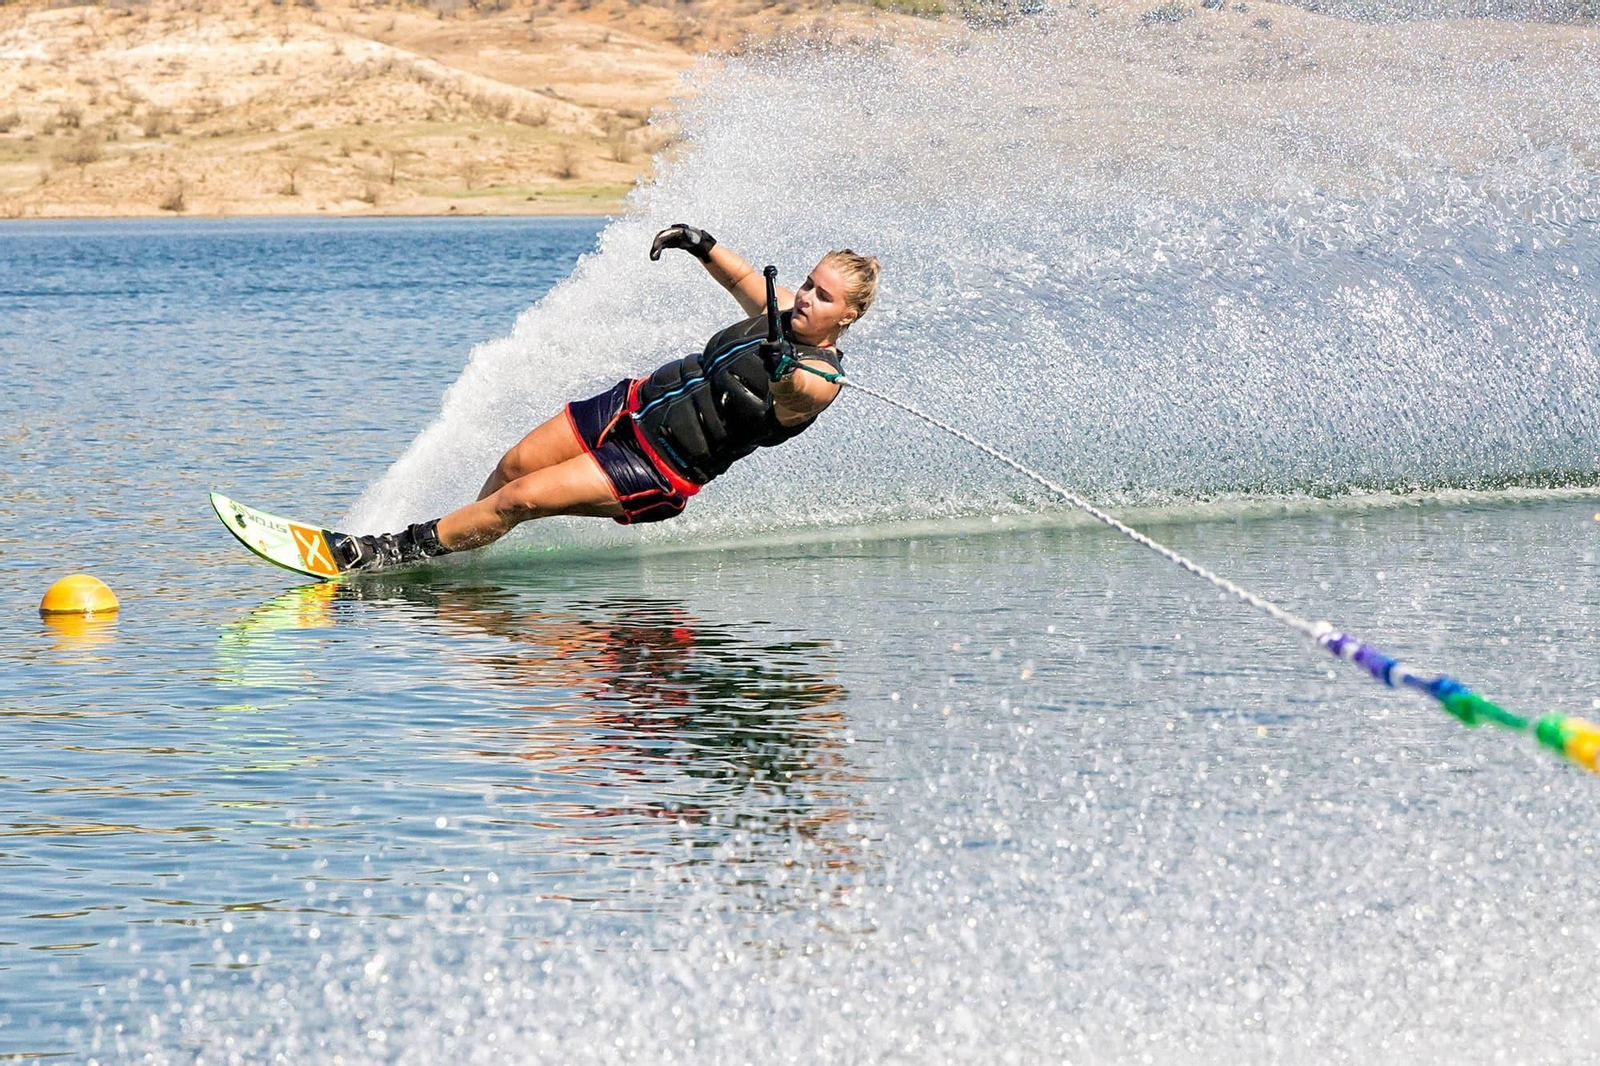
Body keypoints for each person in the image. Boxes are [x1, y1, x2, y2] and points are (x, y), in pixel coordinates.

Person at [329, 225, 881, 572]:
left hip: (658, 466)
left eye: (822, 295)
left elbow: (795, 397)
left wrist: (783, 370)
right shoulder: (781, 310)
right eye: (808, 283)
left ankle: (382, 552)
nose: (806, 296)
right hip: (630, 405)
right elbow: (739, 277)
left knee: (521, 498)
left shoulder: (819, 379)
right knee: (513, 466)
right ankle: (461, 553)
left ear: (848, 316)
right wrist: (700, 245)